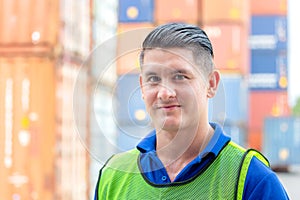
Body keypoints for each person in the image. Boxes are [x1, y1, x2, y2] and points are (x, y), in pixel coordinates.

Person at [94, 23, 289, 199]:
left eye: (180, 76)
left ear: (211, 84)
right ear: (142, 87)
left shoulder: (251, 180)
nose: (164, 93)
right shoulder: (113, 176)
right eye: (153, 79)